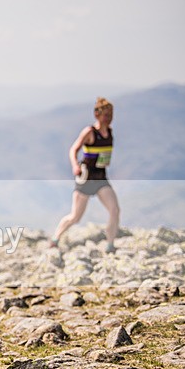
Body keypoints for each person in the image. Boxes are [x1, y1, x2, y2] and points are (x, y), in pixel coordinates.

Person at [51, 97, 120, 253]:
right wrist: (75, 165)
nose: (109, 119)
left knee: (115, 210)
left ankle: (110, 245)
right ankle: (55, 238)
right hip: (86, 178)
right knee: (75, 217)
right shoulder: (89, 132)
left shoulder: (109, 133)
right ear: (97, 115)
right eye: (106, 115)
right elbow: (73, 149)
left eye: (111, 115)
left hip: (101, 178)